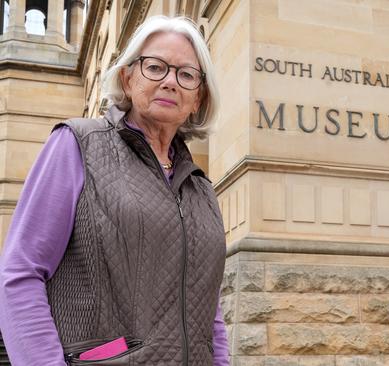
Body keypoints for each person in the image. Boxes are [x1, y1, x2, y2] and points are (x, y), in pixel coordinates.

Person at [0, 16, 229, 365]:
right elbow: (20, 274)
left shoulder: (200, 185)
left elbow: (209, 309)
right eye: (155, 67)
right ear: (128, 76)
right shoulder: (77, 144)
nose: (170, 81)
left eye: (186, 74)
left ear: (198, 97)